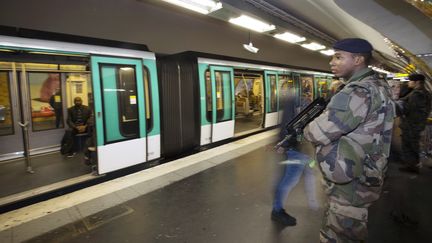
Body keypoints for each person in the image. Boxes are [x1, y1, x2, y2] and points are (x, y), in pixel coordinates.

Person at [303, 38, 396, 242]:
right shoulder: (379, 85)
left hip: (353, 177)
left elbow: (317, 133)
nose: (332, 62)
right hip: (370, 168)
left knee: (342, 231)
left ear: (358, 60)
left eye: (338, 57)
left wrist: (306, 127)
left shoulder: (356, 91)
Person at [271, 93, 318, 226]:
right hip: (297, 149)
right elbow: (289, 123)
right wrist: (283, 144)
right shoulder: (294, 99)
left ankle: (312, 202)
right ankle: (277, 210)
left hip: (302, 149)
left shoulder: (297, 99)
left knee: (299, 176)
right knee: (289, 180)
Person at [398, 74, 432, 174]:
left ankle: (412, 166)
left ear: (417, 82)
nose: (409, 82)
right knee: (413, 145)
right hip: (416, 124)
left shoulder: (417, 94)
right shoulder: (424, 92)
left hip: (412, 125)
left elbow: (408, 109)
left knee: (410, 146)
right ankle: (412, 165)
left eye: (410, 81)